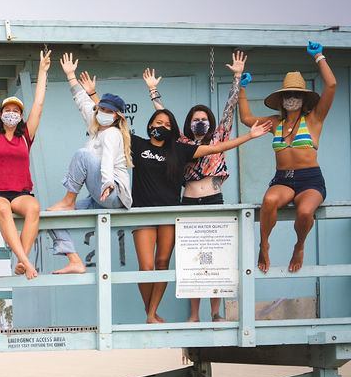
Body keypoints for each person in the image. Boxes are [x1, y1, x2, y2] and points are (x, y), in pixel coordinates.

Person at [89, 91, 271, 322]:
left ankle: (152, 313)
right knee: (145, 267)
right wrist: (95, 97)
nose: (162, 126)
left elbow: (216, 148)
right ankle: (151, 313)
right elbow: (112, 117)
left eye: (166, 124)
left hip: (170, 213)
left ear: (172, 128)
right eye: (158, 122)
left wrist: (249, 136)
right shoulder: (136, 143)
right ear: (150, 124)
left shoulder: (179, 149)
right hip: (142, 212)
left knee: (162, 262)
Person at [143, 51, 248, 321]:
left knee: (216, 257)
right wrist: (153, 90)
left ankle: (215, 312)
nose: (199, 122)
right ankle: (193, 314)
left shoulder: (219, 136)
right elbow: (162, 115)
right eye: (195, 119)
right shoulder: (181, 144)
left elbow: (230, 109)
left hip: (213, 201)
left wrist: (237, 77)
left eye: (204, 119)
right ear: (189, 124)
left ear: (210, 123)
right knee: (192, 258)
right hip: (188, 202)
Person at [238, 42, 337, 273]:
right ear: (281, 98)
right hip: (283, 179)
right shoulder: (275, 123)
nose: (292, 98)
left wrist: (319, 56)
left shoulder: (314, 119)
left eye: (296, 94)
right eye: (288, 94)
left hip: (310, 180)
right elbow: (246, 118)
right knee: (269, 201)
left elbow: (331, 85)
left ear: (304, 98)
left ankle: (299, 246)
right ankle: (264, 244)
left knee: (304, 213)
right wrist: (241, 88)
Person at [47, 53, 134, 274]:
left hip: (113, 193)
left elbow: (106, 163)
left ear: (116, 117)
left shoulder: (113, 134)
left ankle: (68, 200)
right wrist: (70, 76)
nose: (102, 113)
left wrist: (106, 185)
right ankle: (74, 260)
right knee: (50, 215)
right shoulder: (97, 129)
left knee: (82, 155)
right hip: (99, 198)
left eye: (108, 111)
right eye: (101, 109)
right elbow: (83, 103)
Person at [0, 50, 49, 280]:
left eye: (16, 111)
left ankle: (21, 260)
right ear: (1, 114)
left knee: (34, 208)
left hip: (20, 193)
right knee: (4, 210)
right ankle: (27, 263)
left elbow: (38, 104)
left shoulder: (25, 135)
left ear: (20, 115)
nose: (12, 113)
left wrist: (43, 71)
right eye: (8, 110)